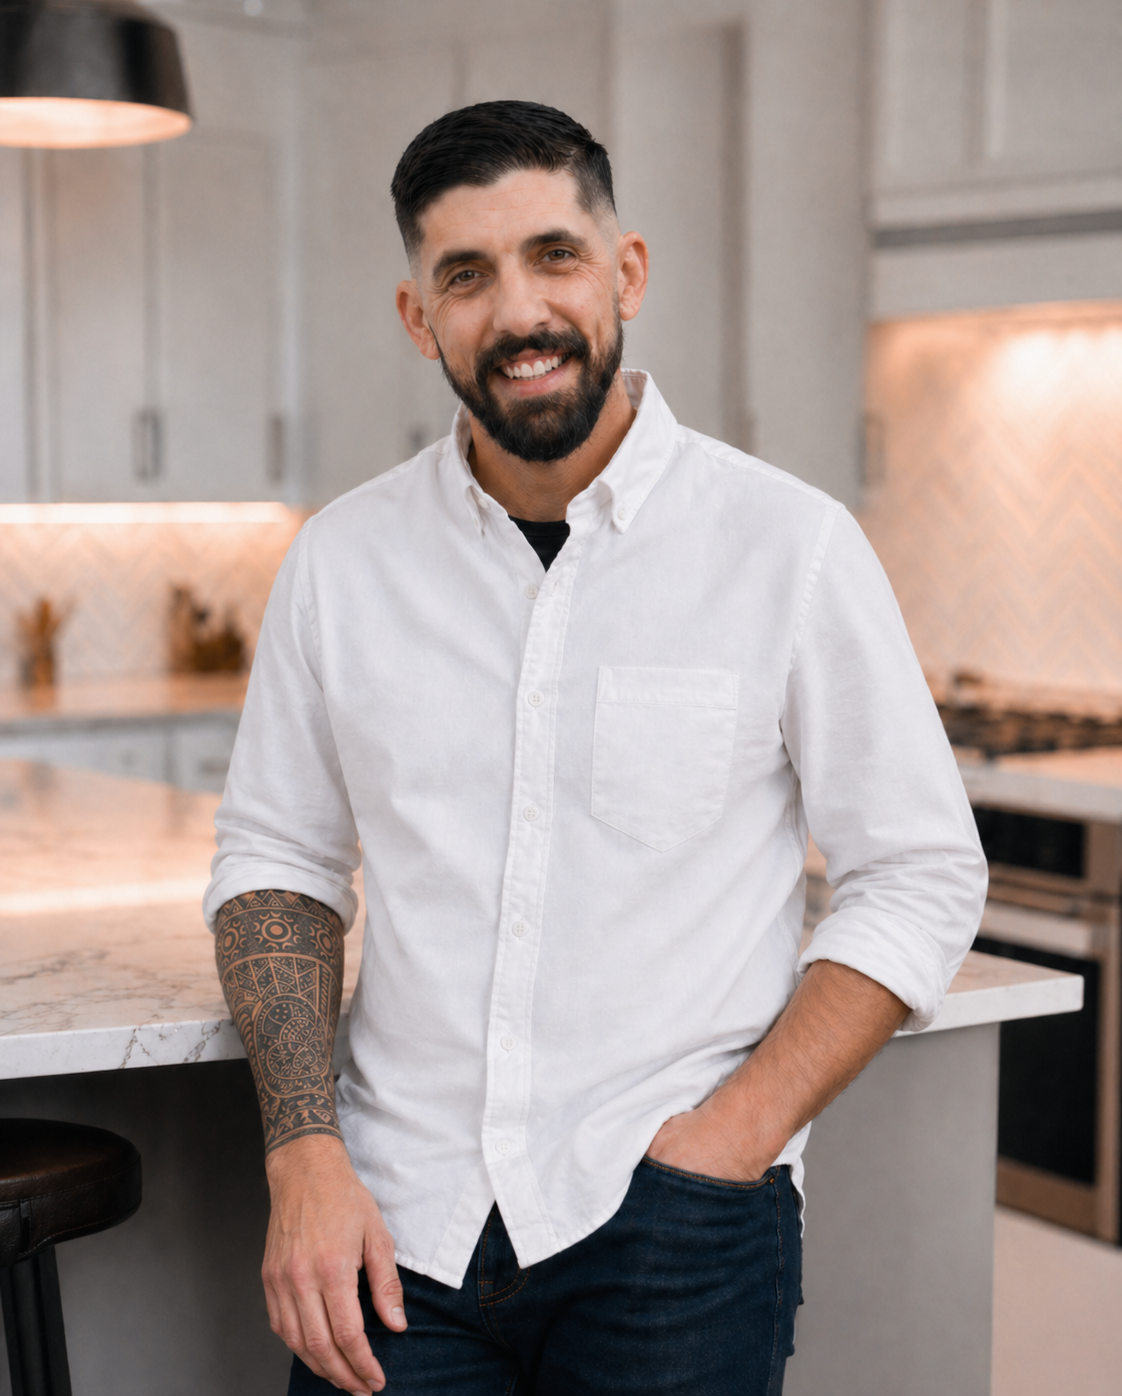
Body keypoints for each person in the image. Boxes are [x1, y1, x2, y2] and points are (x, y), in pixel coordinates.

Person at [206, 100, 986, 1396]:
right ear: (418, 318)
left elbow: (917, 872)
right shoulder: (340, 562)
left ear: (625, 271)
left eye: (554, 256)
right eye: (466, 275)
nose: (518, 311)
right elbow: (278, 858)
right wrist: (303, 1155)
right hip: (396, 1223)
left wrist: (728, 1141)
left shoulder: (786, 546)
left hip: (674, 1225)